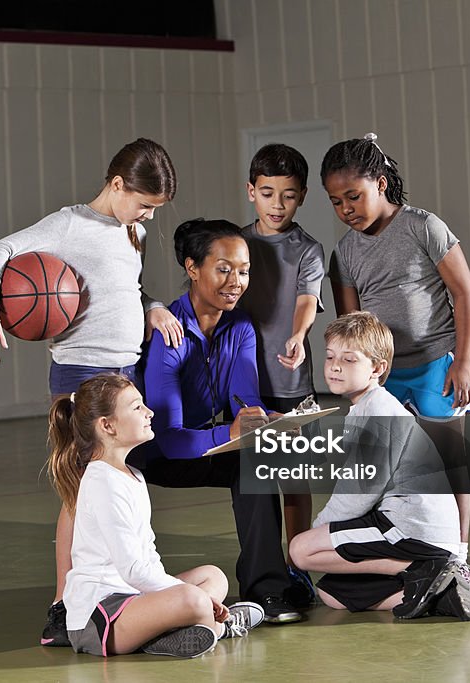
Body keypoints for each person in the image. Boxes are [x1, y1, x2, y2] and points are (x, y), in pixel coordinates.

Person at [0, 138, 186, 647]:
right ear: (117, 185)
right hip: (81, 374)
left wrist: (152, 305)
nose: (149, 217)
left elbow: (123, 286)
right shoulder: (69, 225)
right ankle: (63, 605)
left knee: (116, 489)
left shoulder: (131, 230)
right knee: (78, 494)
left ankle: (112, 595)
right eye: (145, 204)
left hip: (124, 370)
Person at [322, 133, 470, 599]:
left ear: (382, 183)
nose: (346, 208)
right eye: (336, 202)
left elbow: (464, 293)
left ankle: (458, 557)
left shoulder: (423, 227)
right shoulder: (345, 253)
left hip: (436, 365)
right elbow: (350, 325)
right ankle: (407, 557)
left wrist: (465, 362)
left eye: (354, 196)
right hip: (382, 378)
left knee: (449, 462)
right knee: (387, 469)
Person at [131, 218, 303, 624]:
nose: (236, 281)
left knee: (255, 462)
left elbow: (245, 401)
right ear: (192, 268)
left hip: (208, 445)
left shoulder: (241, 326)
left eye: (243, 271)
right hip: (156, 453)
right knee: (240, 449)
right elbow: (169, 439)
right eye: (223, 269)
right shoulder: (168, 332)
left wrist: (272, 421)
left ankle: (268, 590)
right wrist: (232, 431)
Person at [48, 373, 265, 657]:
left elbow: (147, 558)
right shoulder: (102, 483)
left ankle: (178, 630)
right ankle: (219, 627)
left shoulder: (132, 475)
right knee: (194, 599)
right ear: (107, 425)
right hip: (101, 617)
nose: (149, 412)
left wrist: (172, 595)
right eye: (137, 407)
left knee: (213, 577)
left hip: (136, 599)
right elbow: (133, 570)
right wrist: (189, 596)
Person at [288, 312, 470, 620]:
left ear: (377, 368)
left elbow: (359, 492)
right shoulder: (365, 406)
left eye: (350, 360)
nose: (336, 366)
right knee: (333, 593)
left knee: (301, 550)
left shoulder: (380, 410)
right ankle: (440, 595)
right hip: (407, 528)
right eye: (330, 357)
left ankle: (429, 569)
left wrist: (319, 529)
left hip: (412, 528)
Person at [239, 143, 325, 608]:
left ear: (302, 196)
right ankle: (266, 570)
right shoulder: (234, 244)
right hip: (245, 387)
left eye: (288, 195)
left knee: (293, 481)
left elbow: (306, 300)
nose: (277, 205)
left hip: (291, 386)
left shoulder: (307, 249)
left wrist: (297, 335)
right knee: (253, 485)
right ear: (251, 191)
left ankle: (299, 566)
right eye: (267, 193)